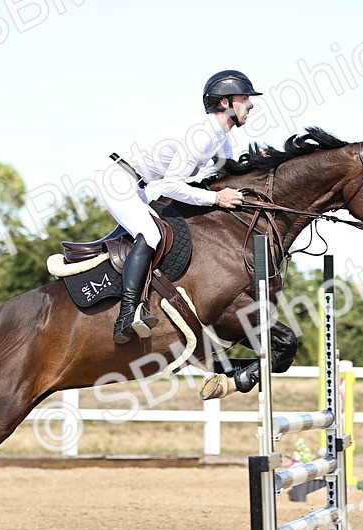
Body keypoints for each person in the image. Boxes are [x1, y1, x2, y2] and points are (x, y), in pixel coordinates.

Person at [97, 70, 261, 344]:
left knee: (157, 231)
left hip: (137, 184)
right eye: (245, 98)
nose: (251, 104)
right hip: (117, 178)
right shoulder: (202, 135)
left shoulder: (221, 137)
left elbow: (229, 174)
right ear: (225, 103)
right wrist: (216, 199)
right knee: (151, 235)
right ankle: (127, 313)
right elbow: (170, 186)